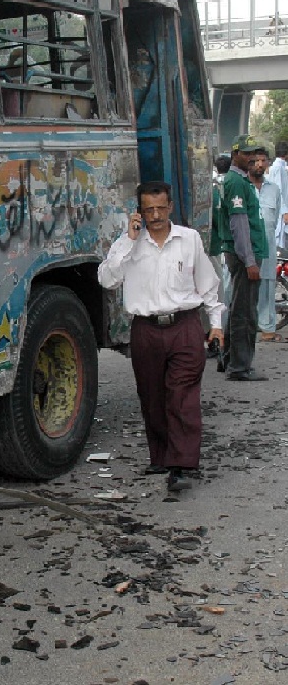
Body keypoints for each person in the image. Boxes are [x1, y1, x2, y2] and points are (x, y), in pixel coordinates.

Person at [98, 181, 224, 492]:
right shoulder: (128, 243)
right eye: (148, 209)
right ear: (139, 211)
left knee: (181, 397)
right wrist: (128, 240)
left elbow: (208, 284)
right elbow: (107, 280)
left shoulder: (189, 239)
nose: (155, 215)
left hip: (185, 327)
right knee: (152, 396)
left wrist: (217, 324)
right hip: (146, 330)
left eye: (160, 208)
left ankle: (181, 465)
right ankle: (161, 455)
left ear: (170, 207)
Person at [215, 134, 269, 380]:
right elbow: (239, 225)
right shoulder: (236, 182)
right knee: (245, 313)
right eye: (246, 153)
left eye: (253, 153)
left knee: (239, 307)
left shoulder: (240, 181)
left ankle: (229, 361)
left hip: (243, 254)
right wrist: (249, 260)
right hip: (244, 255)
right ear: (235, 154)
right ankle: (240, 367)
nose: (250, 158)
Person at [250, 150, 285, 342]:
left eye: (263, 161)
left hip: (268, 245)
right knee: (243, 287)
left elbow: (276, 214)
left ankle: (267, 328)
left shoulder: (273, 189)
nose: (259, 164)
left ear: (268, 163)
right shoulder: (243, 187)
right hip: (247, 247)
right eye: (255, 160)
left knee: (268, 284)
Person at [208, 153, 232, 359]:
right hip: (212, 249)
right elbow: (219, 219)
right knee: (216, 294)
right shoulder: (212, 189)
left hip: (209, 248)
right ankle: (215, 339)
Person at [268, 141, 288, 253]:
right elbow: (279, 190)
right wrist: (285, 211)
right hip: (280, 210)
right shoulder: (278, 168)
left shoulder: (279, 167)